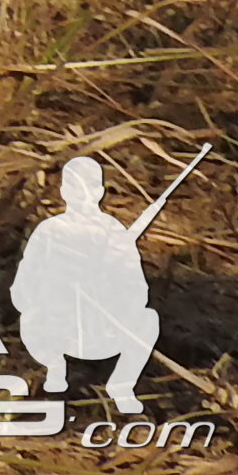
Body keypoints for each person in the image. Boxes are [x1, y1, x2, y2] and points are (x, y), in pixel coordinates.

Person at [13, 153, 172, 413]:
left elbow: (138, 291)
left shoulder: (115, 233)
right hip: (57, 327)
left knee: (148, 320)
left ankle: (121, 384)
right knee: (30, 318)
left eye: (89, 187)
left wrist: (110, 289)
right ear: (64, 190)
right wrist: (51, 295)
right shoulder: (48, 231)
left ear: (100, 191)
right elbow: (24, 283)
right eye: (75, 186)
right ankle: (55, 370)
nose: (82, 194)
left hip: (103, 330)